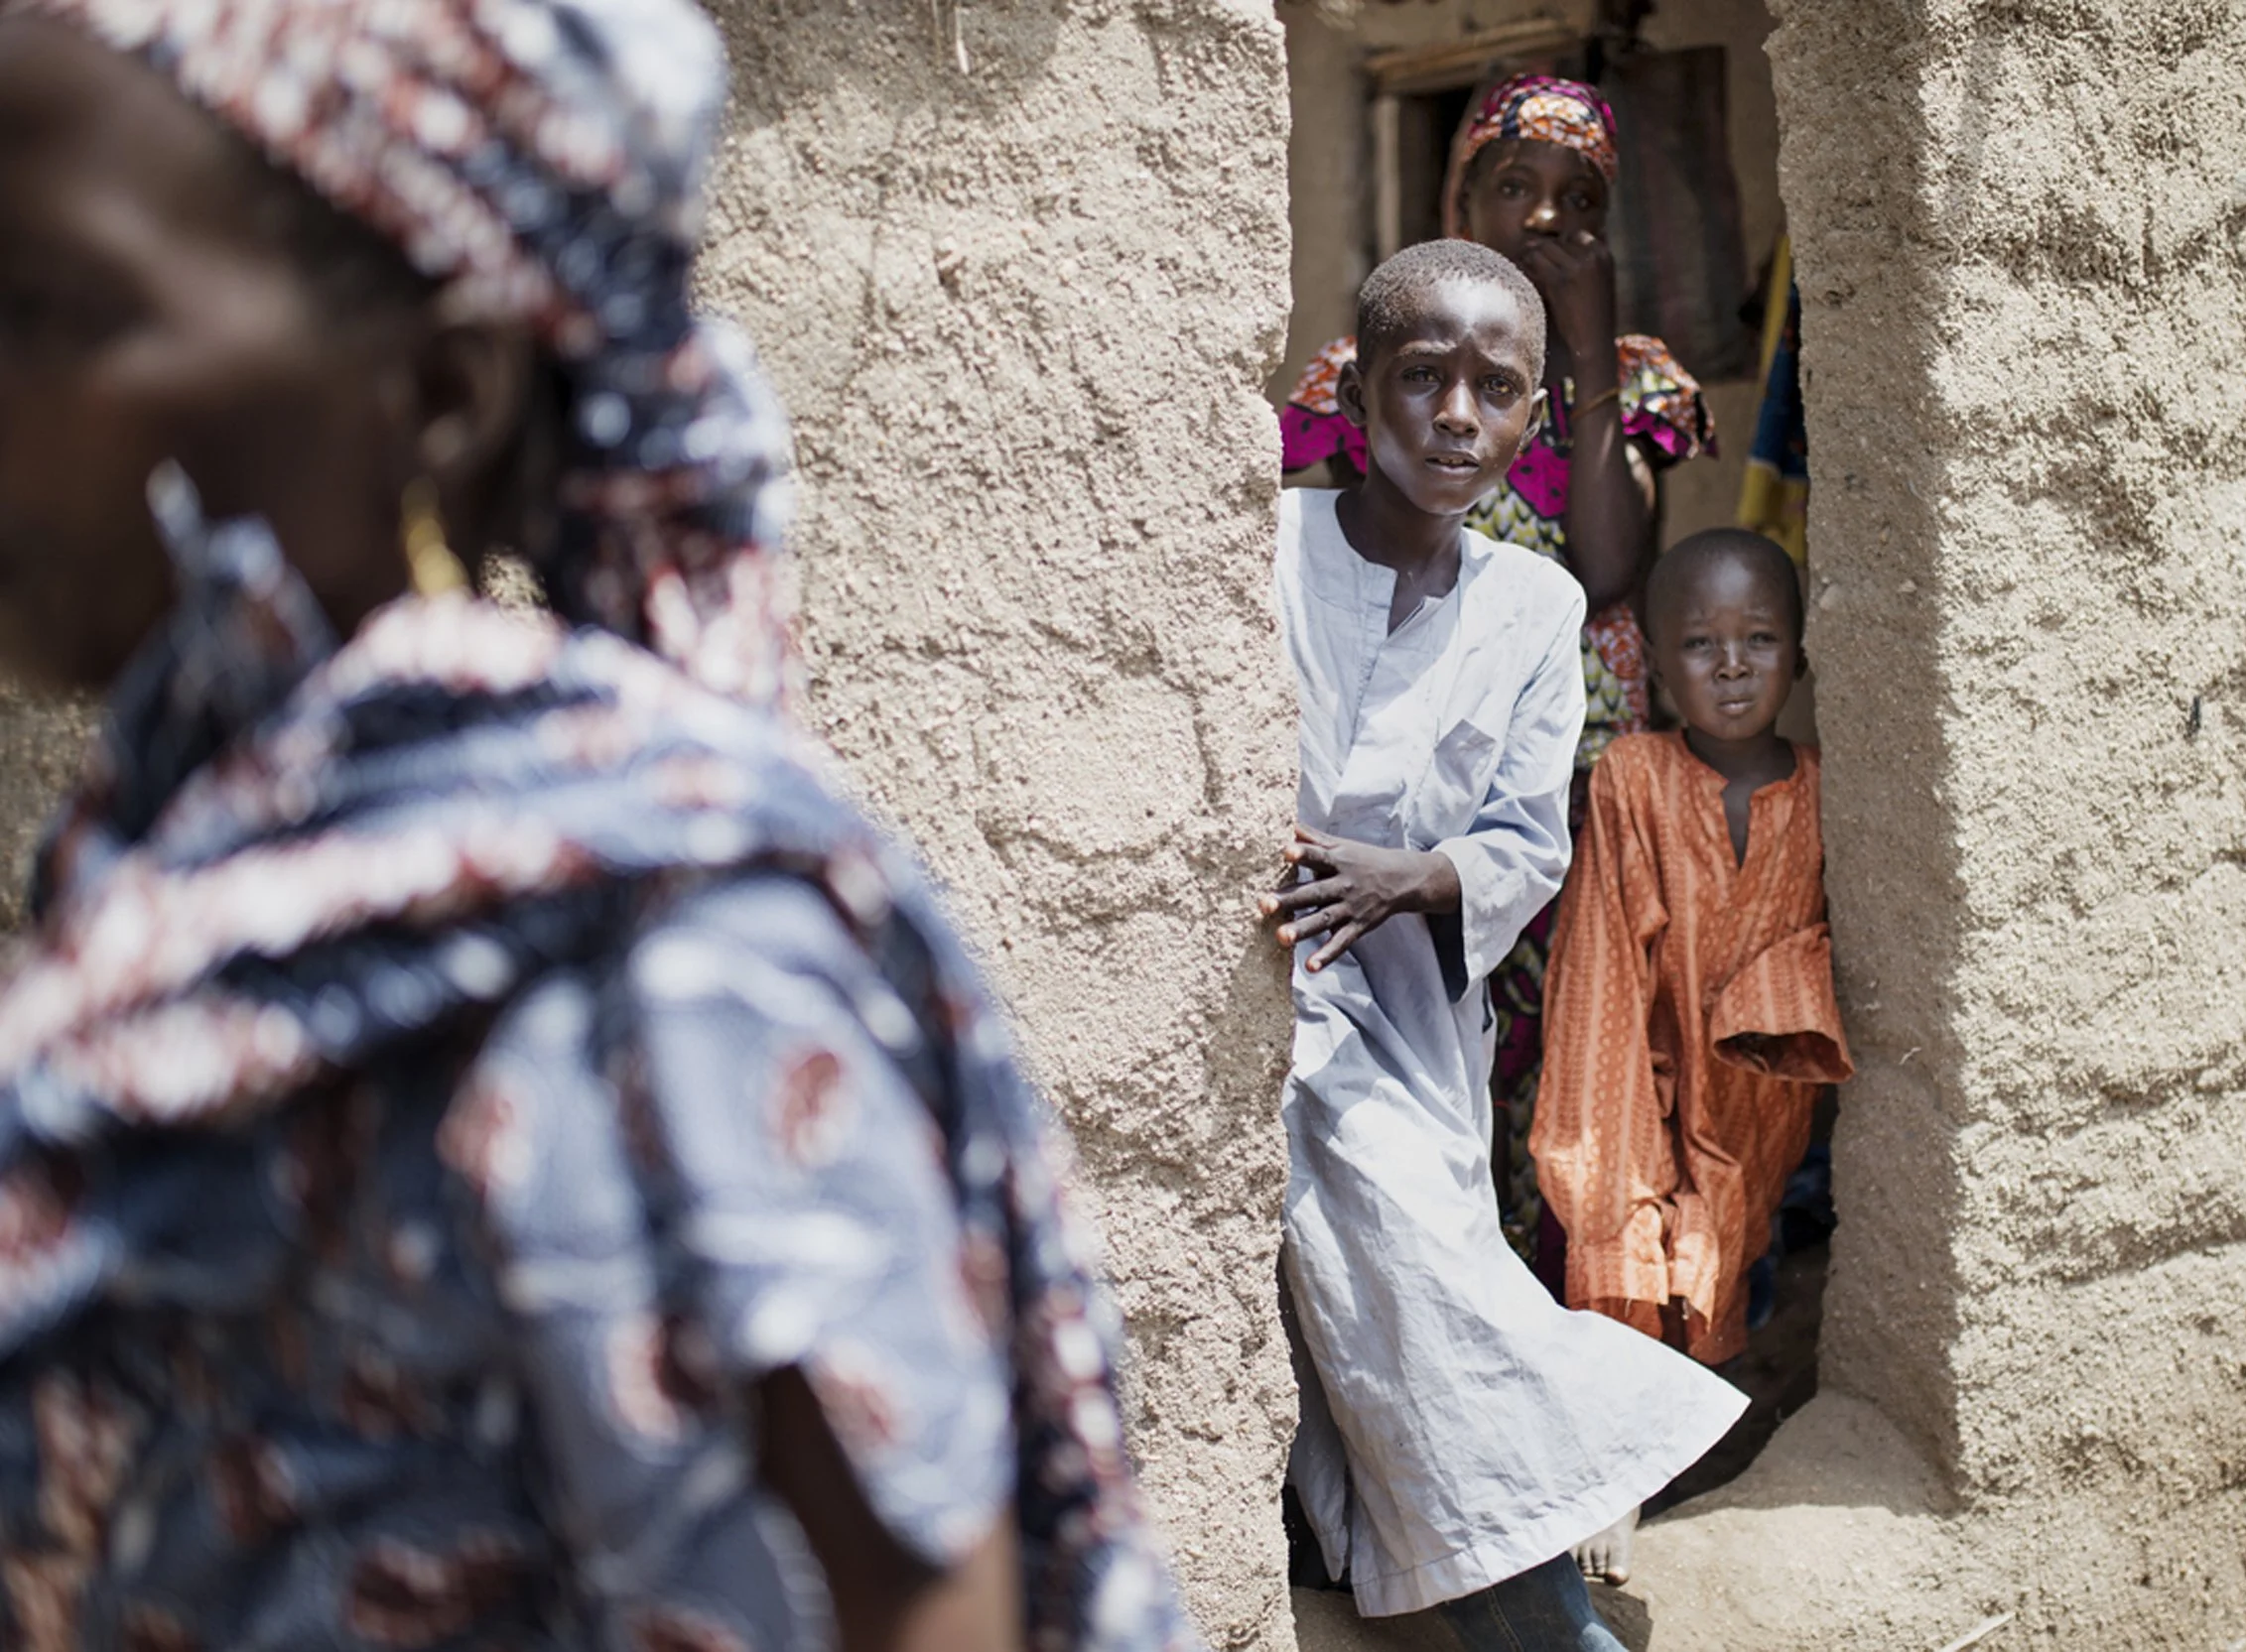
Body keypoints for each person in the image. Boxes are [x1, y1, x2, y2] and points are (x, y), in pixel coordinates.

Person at [0, 3, 1194, 1649]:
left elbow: (912, 1604)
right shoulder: (175, 881)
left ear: (442, 394)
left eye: (43, 310)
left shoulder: (669, 957)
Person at [1260, 239, 1745, 1649]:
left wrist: (1417, 875)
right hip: (1257, 1007)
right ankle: (1542, 1622)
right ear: (1358, 391)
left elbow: (1529, 841)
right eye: (1422, 378)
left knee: (1411, 1288)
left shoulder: (1533, 606)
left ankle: (1481, 1583)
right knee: (1402, 1279)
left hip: (1414, 1025)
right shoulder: (1262, 543)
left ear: (1537, 412)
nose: (1457, 416)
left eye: (1497, 387)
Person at [1279, 74, 1716, 1298]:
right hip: (1413, 783)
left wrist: (1585, 351)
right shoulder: (1372, 370)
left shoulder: (1629, 379)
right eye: (1511, 185)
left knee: (1564, 1053)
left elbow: (1611, 560)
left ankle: (1537, 1313)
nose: (1542, 215)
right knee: (1408, 1055)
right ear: (1456, 190)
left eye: (1578, 198)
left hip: (1571, 791)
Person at [1531, 529, 1853, 1369]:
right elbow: (1598, 983)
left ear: (1804, 652)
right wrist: (1608, 1158)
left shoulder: (1828, 789)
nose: (1733, 664)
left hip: (1761, 1111)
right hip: (1639, 1085)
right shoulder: (1634, 777)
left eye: (1759, 637)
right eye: (1701, 644)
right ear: (1660, 668)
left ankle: (1697, 1466)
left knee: (1726, 1289)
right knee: (1633, 1269)